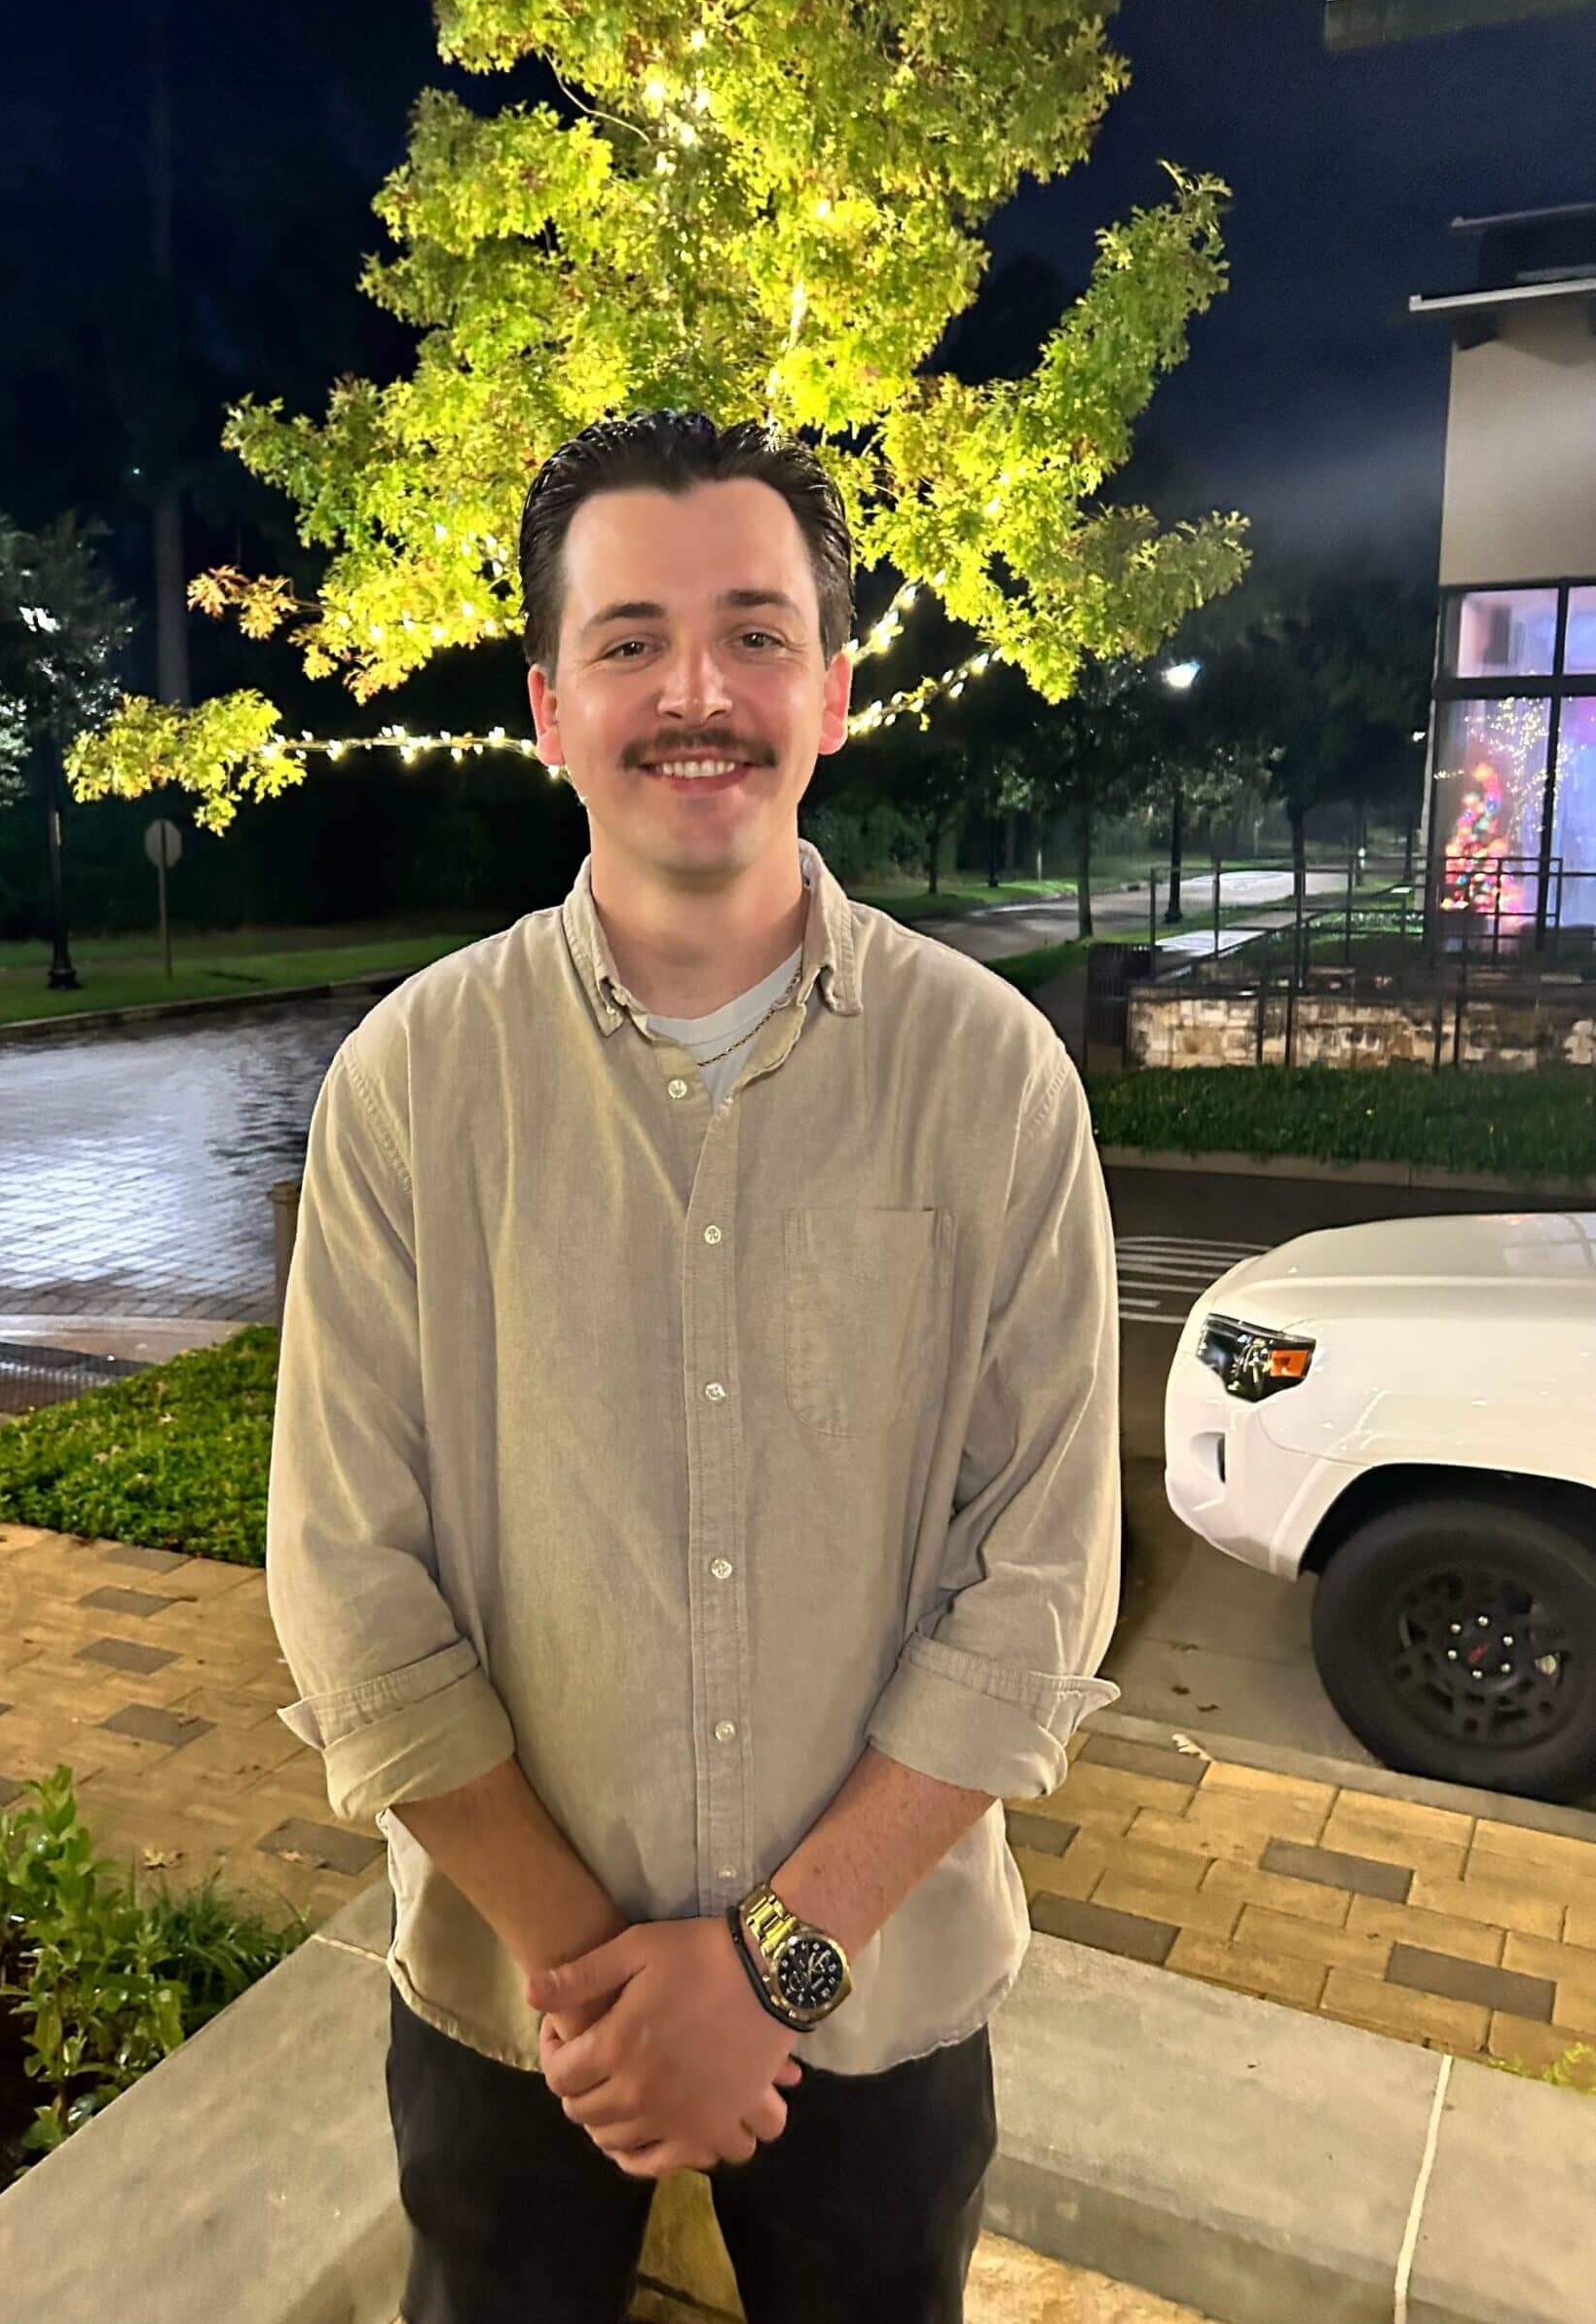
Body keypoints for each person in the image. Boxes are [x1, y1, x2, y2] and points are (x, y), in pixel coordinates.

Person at [266, 409, 1122, 2324]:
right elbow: (348, 1585)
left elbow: (1042, 1578)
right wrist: (608, 1987)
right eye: (631, 641)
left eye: (754, 633)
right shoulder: (413, 1086)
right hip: (517, 2011)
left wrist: (774, 1968)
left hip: (881, 2005)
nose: (697, 693)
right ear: (550, 709)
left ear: (833, 690)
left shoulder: (990, 1080)